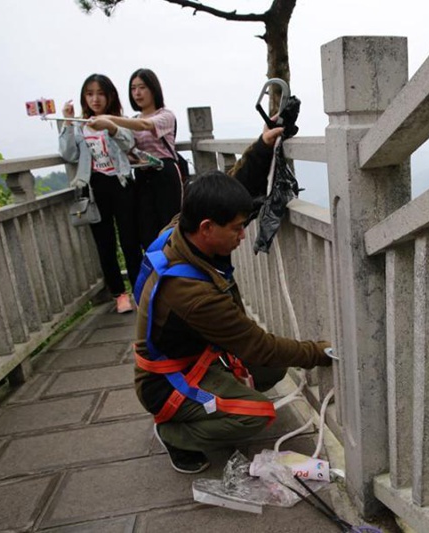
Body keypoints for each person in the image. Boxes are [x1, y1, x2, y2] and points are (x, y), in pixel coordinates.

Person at [133, 132, 333, 473]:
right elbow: (259, 347)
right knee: (256, 415)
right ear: (208, 228)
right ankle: (175, 434)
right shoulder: (192, 294)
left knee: (273, 370)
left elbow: (229, 187)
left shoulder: (182, 228)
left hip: (196, 356)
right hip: (167, 382)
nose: (244, 235)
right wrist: (321, 352)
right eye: (238, 229)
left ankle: (216, 400)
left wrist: (263, 146)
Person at [59, 74, 142, 314]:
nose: (95, 99)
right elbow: (68, 154)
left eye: (100, 93)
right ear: (84, 97)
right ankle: (119, 294)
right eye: (90, 94)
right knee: (104, 244)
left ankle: (139, 291)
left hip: (122, 183)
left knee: (130, 240)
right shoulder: (79, 125)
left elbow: (129, 144)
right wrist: (66, 121)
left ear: (110, 96)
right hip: (94, 187)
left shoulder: (118, 121)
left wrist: (111, 126)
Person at [97, 68, 183, 249]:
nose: (137, 93)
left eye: (142, 87)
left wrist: (111, 119)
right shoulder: (132, 119)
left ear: (153, 89)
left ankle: (176, 270)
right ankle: (156, 273)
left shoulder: (165, 115)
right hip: (143, 177)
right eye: (133, 88)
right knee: (147, 230)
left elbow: (145, 125)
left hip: (165, 174)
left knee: (171, 227)